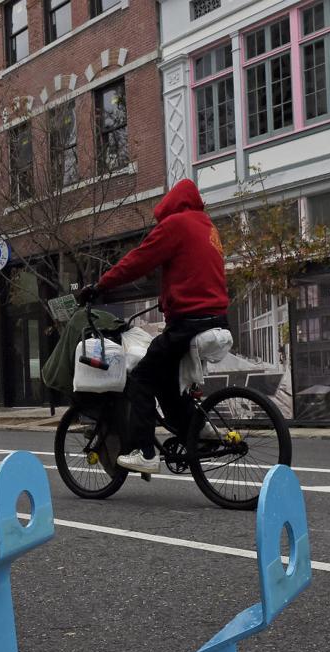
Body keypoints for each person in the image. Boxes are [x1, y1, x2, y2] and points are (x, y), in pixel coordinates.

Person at [79, 179, 229, 474]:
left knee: (141, 377)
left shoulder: (176, 225)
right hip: (215, 317)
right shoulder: (207, 226)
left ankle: (145, 453)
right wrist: (166, 300)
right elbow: (194, 273)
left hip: (188, 321)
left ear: (170, 205)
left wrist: (100, 286)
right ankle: (198, 429)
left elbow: (138, 260)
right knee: (167, 381)